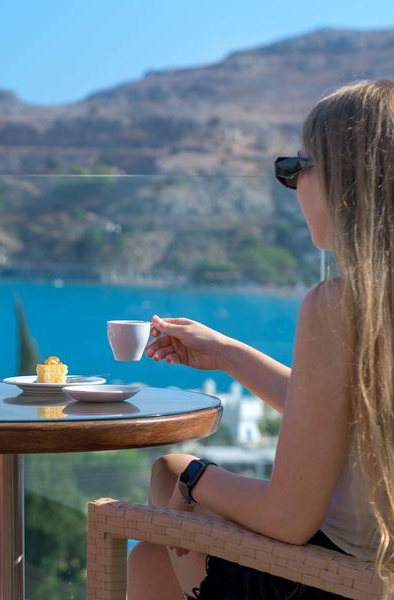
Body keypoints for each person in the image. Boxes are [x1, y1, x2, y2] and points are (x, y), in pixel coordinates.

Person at [127, 79, 394, 599]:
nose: (293, 189)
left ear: (343, 179)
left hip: (335, 580)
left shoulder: (342, 302)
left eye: (294, 170)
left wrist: (194, 480)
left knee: (168, 486)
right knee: (163, 523)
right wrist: (226, 353)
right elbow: (351, 412)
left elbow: (290, 517)